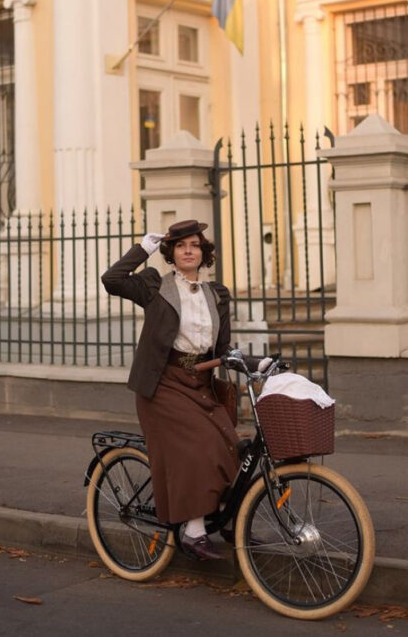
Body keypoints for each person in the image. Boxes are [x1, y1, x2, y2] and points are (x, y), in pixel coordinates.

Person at [101, 219, 239, 560]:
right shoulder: (153, 286)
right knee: (201, 445)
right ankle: (193, 532)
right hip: (163, 384)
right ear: (171, 253)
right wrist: (143, 248)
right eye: (180, 246)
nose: (188, 250)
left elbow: (221, 348)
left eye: (194, 245)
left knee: (233, 447)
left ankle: (228, 518)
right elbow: (112, 280)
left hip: (200, 383)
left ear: (204, 252)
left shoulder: (217, 294)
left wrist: (251, 362)